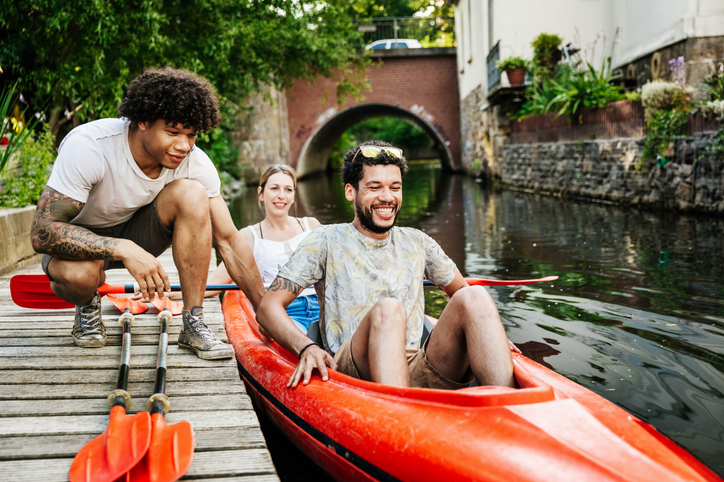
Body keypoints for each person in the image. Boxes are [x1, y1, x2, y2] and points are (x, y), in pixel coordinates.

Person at [30, 67, 264, 359]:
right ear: (142, 121)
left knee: (193, 193)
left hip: (140, 232)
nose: (183, 146)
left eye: (191, 135)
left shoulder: (194, 161)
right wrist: (122, 248)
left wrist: (264, 311)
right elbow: (42, 232)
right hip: (80, 244)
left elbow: (229, 240)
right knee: (81, 276)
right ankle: (88, 304)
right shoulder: (90, 146)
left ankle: (194, 323)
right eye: (172, 132)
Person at [256, 141, 517, 389]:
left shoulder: (417, 241)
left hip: (417, 363)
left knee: (475, 296)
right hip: (353, 367)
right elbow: (268, 308)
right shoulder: (325, 239)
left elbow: (461, 292)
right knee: (389, 310)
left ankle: (511, 410)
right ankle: (399, 418)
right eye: (374, 187)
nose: (387, 197)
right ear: (351, 191)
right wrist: (306, 347)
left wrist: (486, 329)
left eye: (395, 187)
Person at [164, 164, 321, 334]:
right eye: (274, 188)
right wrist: (168, 293)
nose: (281, 196)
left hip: (322, 306)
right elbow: (215, 283)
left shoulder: (311, 226)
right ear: (261, 193)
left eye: (288, 190)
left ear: (293, 195)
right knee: (303, 346)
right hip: (284, 312)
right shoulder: (248, 236)